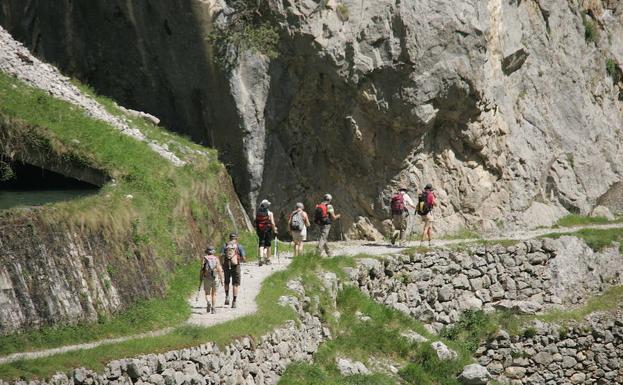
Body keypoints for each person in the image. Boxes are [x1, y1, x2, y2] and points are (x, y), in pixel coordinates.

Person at [221, 233, 246, 308]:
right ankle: (234, 301)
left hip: (226, 265)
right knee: (235, 284)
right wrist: (241, 260)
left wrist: (222, 264)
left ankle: (227, 296)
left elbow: (221, 255)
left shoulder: (225, 245)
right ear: (236, 238)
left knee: (226, 282)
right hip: (236, 266)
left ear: (229, 238)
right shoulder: (239, 246)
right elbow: (244, 258)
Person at [200, 246, 224, 314]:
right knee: (214, 294)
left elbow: (202, 269)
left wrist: (201, 277)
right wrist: (222, 280)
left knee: (207, 293)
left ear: (207, 252)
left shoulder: (204, 258)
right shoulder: (216, 258)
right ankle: (213, 308)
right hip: (215, 278)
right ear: (213, 252)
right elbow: (219, 270)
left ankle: (208, 302)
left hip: (207, 278)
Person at [255, 199, 277, 265]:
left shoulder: (258, 213)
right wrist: (274, 230)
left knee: (261, 244)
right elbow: (272, 223)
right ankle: (268, 259)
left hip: (260, 230)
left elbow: (256, 222)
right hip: (267, 230)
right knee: (268, 245)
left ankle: (261, 258)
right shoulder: (270, 213)